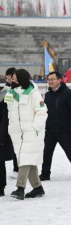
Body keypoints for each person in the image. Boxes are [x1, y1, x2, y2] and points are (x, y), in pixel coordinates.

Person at [5, 69, 48, 200]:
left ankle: (20, 188)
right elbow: (9, 111)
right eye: (12, 78)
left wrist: (34, 127)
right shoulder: (10, 93)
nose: (12, 80)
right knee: (28, 160)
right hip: (17, 134)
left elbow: (42, 112)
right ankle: (37, 187)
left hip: (31, 133)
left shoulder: (33, 93)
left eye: (15, 78)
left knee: (24, 160)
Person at [40, 71, 71, 182]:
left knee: (70, 151)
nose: (50, 81)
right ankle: (45, 174)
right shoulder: (48, 94)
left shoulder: (67, 92)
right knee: (47, 152)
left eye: (53, 79)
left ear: (59, 80)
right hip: (50, 129)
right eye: (49, 79)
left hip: (64, 130)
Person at [0, 82, 14, 197]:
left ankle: (1, 187)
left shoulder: (7, 94)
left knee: (0, 162)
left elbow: (6, 118)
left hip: (2, 133)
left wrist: (2, 136)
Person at [4, 67, 19, 174]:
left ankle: (17, 167)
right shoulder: (5, 89)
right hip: (7, 121)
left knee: (17, 146)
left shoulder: (21, 89)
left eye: (10, 79)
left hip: (17, 122)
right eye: (8, 79)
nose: (9, 81)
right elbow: (7, 104)